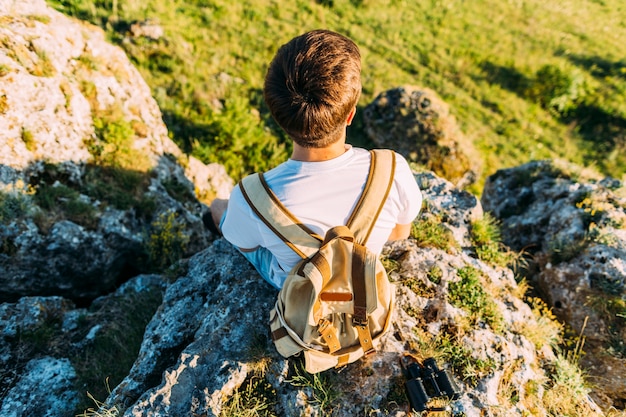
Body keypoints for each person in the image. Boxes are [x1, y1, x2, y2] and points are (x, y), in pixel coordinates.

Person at [209, 29, 422, 290]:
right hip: (362, 279)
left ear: (279, 119)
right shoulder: (392, 170)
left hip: (298, 287)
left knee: (220, 208)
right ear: (350, 115)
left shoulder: (250, 196)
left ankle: (214, 213)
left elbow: (245, 244)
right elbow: (400, 233)